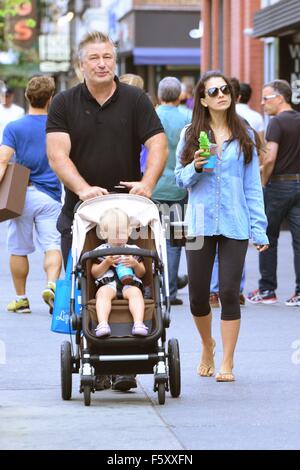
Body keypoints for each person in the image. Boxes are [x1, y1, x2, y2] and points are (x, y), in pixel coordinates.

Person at [46, 31, 168, 391]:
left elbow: (158, 144)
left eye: (108, 57)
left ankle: (131, 356)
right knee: (88, 284)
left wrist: (148, 184)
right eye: (94, 58)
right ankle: (97, 361)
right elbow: (57, 154)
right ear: (80, 64)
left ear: (115, 61)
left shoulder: (135, 99)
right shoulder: (64, 103)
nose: (102, 64)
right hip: (82, 213)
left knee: (138, 277)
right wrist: (83, 189)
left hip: (127, 213)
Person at [175, 71, 268, 382]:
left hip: (235, 221)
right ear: (202, 99)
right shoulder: (191, 134)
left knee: (229, 291)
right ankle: (207, 345)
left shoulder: (246, 135)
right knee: (199, 295)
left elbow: (252, 186)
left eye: (225, 89)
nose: (220, 95)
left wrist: (260, 229)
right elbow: (179, 179)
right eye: (212, 91)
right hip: (200, 222)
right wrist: (196, 166)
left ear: (232, 95)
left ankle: (227, 360)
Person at [0, 76, 62, 314]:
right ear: (51, 98)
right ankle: (51, 284)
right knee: (52, 245)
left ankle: (21, 298)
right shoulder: (59, 126)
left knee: (18, 248)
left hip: (21, 194)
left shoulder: (14, 127)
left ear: (27, 96)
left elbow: (3, 161)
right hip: (51, 196)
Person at [247, 79, 300, 307]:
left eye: (266, 98)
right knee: (299, 241)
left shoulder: (277, 122)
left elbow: (269, 157)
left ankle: (267, 289)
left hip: (278, 185)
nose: (262, 102)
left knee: (268, 237)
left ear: (280, 98)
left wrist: (263, 182)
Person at [152, 76, 190, 305]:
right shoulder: (188, 117)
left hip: (154, 186)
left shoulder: (152, 115)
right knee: (175, 240)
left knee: (150, 239)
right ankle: (171, 291)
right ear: (180, 95)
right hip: (179, 187)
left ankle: (153, 289)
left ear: (159, 95)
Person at [92, 208, 147, 337]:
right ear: (103, 233)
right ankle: (103, 324)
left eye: (122, 233)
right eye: (114, 233)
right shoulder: (100, 251)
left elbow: (142, 273)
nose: (118, 237)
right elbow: (94, 273)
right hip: (108, 284)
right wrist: (106, 263)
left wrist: (135, 264)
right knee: (103, 294)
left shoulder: (134, 251)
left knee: (136, 293)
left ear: (129, 232)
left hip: (129, 284)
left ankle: (138, 323)